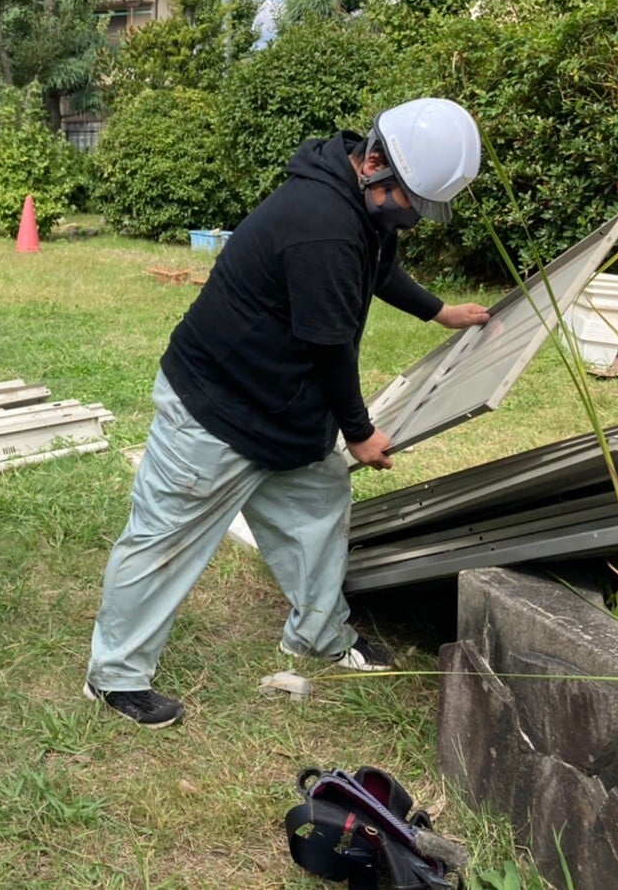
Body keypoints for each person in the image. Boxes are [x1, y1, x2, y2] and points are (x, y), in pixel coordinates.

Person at [84, 98, 490, 728]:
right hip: (215, 410)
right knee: (163, 540)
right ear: (375, 162)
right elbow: (327, 346)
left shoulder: (359, 199)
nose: (412, 217)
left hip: (283, 409)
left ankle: (318, 634)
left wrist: (440, 312)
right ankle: (114, 679)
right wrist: (359, 434)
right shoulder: (320, 223)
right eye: (410, 201)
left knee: (318, 513)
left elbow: (382, 265)